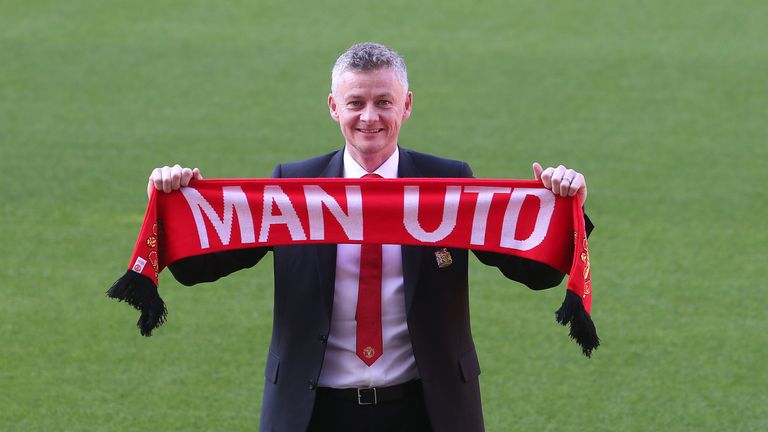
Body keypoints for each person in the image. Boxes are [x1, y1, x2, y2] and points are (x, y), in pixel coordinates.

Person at [148, 42, 591, 432]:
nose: (369, 117)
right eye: (355, 102)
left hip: (427, 410)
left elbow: (537, 272)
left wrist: (565, 205)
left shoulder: (448, 182)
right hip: (312, 411)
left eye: (384, 101)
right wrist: (173, 202)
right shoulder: (293, 186)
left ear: (407, 105)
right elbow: (198, 268)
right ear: (333, 107)